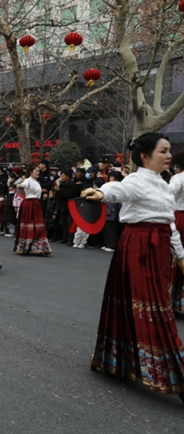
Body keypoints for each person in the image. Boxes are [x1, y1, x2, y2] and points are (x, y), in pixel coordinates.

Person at [84, 132, 184, 403]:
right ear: (144, 156)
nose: (168, 155)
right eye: (163, 151)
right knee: (153, 310)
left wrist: (181, 255)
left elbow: (169, 223)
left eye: (168, 151)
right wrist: (102, 192)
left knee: (147, 305)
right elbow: (119, 190)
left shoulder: (165, 184)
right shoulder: (136, 180)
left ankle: (118, 361)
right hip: (138, 246)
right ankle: (174, 373)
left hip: (159, 246)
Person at [13, 164, 52, 255]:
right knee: (29, 225)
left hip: (37, 204)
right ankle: (25, 246)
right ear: (31, 172)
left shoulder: (37, 182)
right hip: (29, 204)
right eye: (36, 171)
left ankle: (41, 246)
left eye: (39, 171)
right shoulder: (28, 180)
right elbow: (22, 185)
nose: (38, 172)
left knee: (39, 225)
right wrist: (20, 185)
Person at [170, 151, 184, 313]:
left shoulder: (178, 178)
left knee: (174, 258)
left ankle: (170, 300)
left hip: (179, 219)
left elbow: (168, 193)